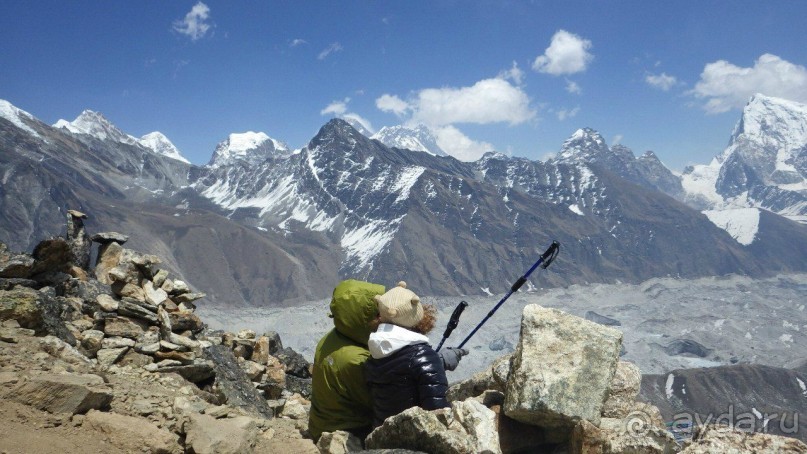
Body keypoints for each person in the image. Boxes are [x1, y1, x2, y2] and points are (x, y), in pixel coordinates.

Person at [364, 281, 469, 428]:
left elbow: (399, 369)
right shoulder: (422, 355)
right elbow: (438, 411)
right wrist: (433, 362)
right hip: (415, 436)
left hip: (384, 434)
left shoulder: (374, 355)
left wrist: (434, 361)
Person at [308, 280, 385, 441]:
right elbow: (379, 401)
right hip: (345, 432)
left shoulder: (334, 337)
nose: (382, 318)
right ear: (362, 317)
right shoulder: (356, 361)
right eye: (377, 314)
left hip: (323, 425)